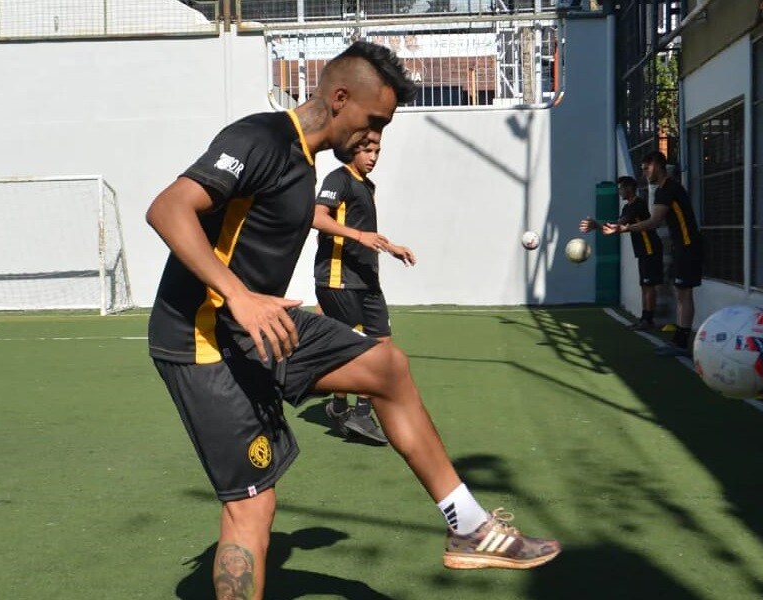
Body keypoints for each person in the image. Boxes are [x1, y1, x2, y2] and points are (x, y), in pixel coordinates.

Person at [145, 41, 560, 600]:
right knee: (252, 507)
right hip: (204, 340)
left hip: (261, 327)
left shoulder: (306, 162)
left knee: (387, 367)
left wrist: (252, 302)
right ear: (339, 98)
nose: (375, 135)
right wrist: (239, 295)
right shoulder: (260, 138)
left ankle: (468, 527)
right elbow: (168, 208)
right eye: (374, 121)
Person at [312, 135, 416, 445]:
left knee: (382, 347)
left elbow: (364, 231)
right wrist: (359, 236)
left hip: (367, 280)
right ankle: (356, 412)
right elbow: (316, 218)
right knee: (359, 348)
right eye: (367, 151)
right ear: (351, 151)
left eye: (377, 151)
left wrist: (390, 247)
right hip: (339, 278)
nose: (373, 157)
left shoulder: (367, 185)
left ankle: (343, 407)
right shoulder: (339, 178)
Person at [603, 152, 703, 355]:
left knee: (684, 293)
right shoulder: (664, 190)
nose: (644, 173)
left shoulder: (668, 189)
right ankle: (679, 340)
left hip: (688, 245)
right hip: (681, 246)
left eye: (646, 168)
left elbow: (654, 221)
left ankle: (681, 342)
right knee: (680, 292)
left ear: (657, 165)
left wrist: (624, 228)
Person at [580, 175, 663, 331]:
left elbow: (619, 225)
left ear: (629, 188)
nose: (619, 192)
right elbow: (615, 227)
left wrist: (597, 225)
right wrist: (597, 226)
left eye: (621, 188)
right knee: (644, 286)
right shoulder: (626, 207)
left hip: (650, 248)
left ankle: (648, 320)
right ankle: (644, 319)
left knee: (649, 285)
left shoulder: (638, 204)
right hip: (642, 250)